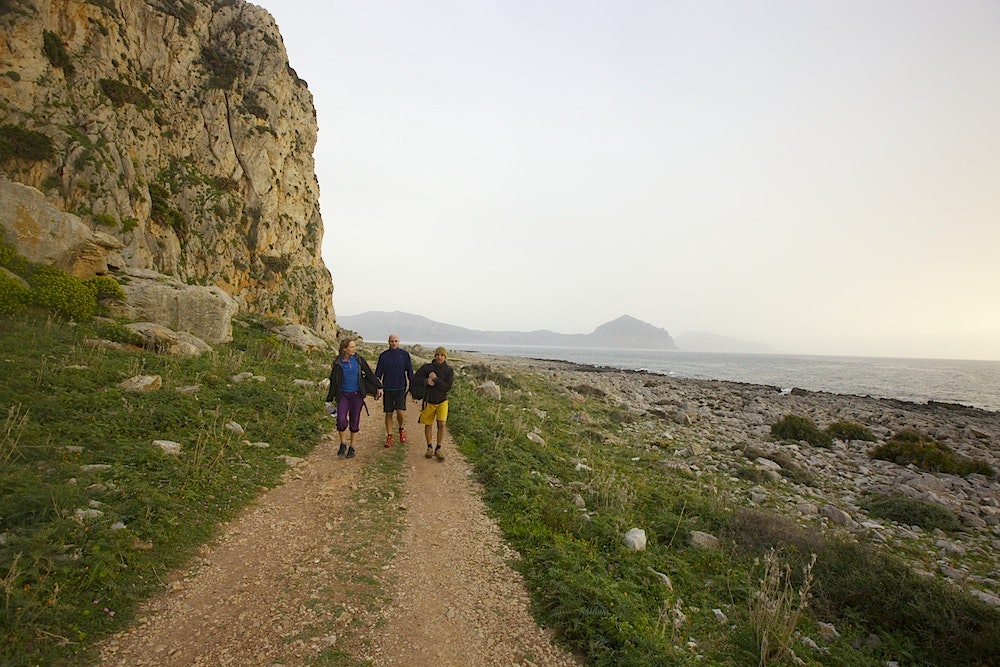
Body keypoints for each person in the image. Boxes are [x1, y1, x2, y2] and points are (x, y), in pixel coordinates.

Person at [325, 338, 380, 459]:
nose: (354, 349)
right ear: (345, 349)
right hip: (343, 395)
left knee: (354, 421)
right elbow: (334, 382)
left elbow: (369, 374)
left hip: (357, 395)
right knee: (341, 420)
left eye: (354, 347)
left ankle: (352, 446)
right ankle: (343, 444)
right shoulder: (338, 364)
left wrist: (379, 386)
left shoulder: (359, 360)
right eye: (351, 347)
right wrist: (329, 399)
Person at [411, 346, 454, 461]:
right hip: (429, 400)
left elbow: (447, 387)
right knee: (428, 424)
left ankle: (438, 448)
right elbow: (415, 379)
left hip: (442, 401)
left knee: (442, 424)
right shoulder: (427, 368)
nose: (439, 357)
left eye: (442, 355)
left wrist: (436, 380)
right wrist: (426, 381)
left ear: (445, 357)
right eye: (437, 355)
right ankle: (429, 447)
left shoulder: (449, 370)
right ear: (434, 356)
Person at [374, 334, 414, 448]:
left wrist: (414, 386)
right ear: (388, 342)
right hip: (387, 389)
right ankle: (389, 436)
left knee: (400, 412)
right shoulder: (383, 356)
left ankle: (401, 429)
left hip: (401, 388)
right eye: (392, 341)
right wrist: (377, 387)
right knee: (389, 413)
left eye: (396, 341)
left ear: (399, 342)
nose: (394, 343)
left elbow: (410, 372)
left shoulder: (404, 355)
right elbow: (378, 374)